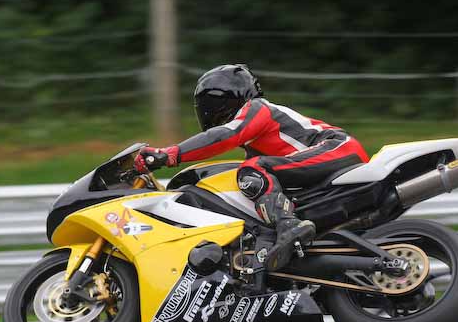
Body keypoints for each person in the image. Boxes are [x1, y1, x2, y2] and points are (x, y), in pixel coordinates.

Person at [134, 64, 369, 275]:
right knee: (252, 175)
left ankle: (289, 225)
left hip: (337, 147)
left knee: (252, 169)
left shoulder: (258, 108)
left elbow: (225, 135)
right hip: (333, 155)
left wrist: (169, 154)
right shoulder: (256, 142)